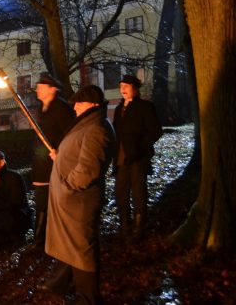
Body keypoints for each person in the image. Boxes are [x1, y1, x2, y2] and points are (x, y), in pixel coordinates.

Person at [40, 85, 115, 305]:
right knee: (72, 246)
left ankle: (88, 298)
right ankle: (62, 283)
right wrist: (60, 155)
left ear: (93, 104)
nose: (74, 107)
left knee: (82, 251)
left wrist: (66, 187)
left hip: (78, 201)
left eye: (79, 103)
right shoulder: (86, 125)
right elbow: (77, 153)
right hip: (71, 200)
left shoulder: (97, 129)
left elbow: (88, 170)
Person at [112, 74, 162, 240]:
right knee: (120, 193)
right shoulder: (119, 109)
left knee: (139, 193)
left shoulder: (145, 107)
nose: (123, 89)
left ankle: (139, 229)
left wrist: (140, 148)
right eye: (121, 86)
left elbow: (155, 131)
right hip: (121, 159)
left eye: (126, 86)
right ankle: (125, 226)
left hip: (138, 158)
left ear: (135, 89)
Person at [32, 75, 75, 248]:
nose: (37, 89)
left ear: (52, 89)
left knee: (51, 201)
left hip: (56, 163)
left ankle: (43, 239)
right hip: (40, 163)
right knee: (41, 200)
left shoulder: (61, 108)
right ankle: (41, 237)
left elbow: (70, 135)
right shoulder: (41, 108)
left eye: (40, 86)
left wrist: (60, 151)